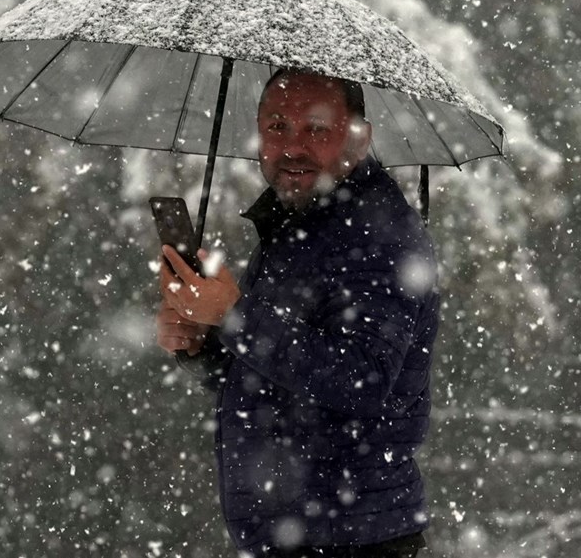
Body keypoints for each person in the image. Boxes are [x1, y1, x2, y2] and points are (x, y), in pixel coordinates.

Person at [156, 69, 438, 558]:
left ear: (359, 137)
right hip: (302, 536)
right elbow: (267, 376)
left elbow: (362, 379)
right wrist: (202, 341)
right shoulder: (301, 219)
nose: (292, 146)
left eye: (317, 128)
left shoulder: (379, 236)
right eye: (278, 126)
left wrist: (235, 315)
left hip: (351, 539)